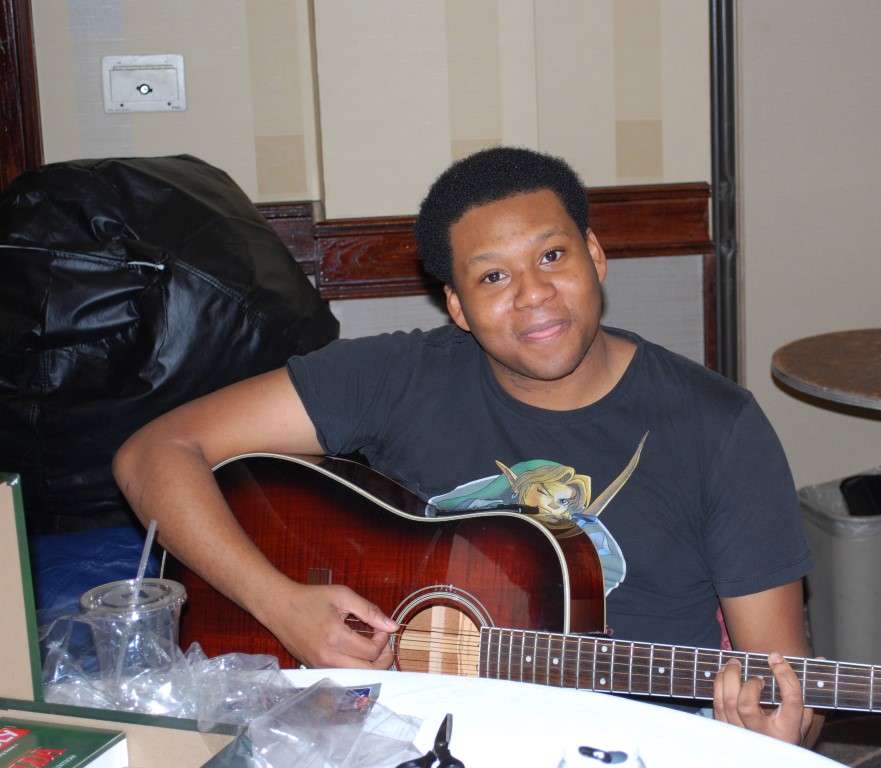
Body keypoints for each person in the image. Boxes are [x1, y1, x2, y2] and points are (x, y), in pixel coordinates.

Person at [113, 147, 822, 747]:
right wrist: (282, 605)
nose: (534, 294)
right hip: (406, 737)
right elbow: (154, 454)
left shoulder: (718, 427)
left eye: (552, 255)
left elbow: (787, 685)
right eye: (493, 277)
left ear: (596, 255)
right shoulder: (398, 378)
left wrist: (778, 732)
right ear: (456, 305)